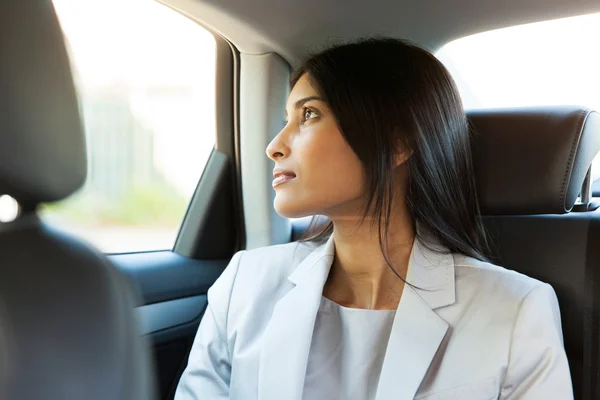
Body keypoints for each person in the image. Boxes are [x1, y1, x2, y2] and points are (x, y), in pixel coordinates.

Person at [174, 38, 572, 400]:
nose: (274, 146)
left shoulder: (515, 310)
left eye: (309, 114)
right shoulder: (244, 285)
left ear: (398, 142)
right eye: (285, 121)